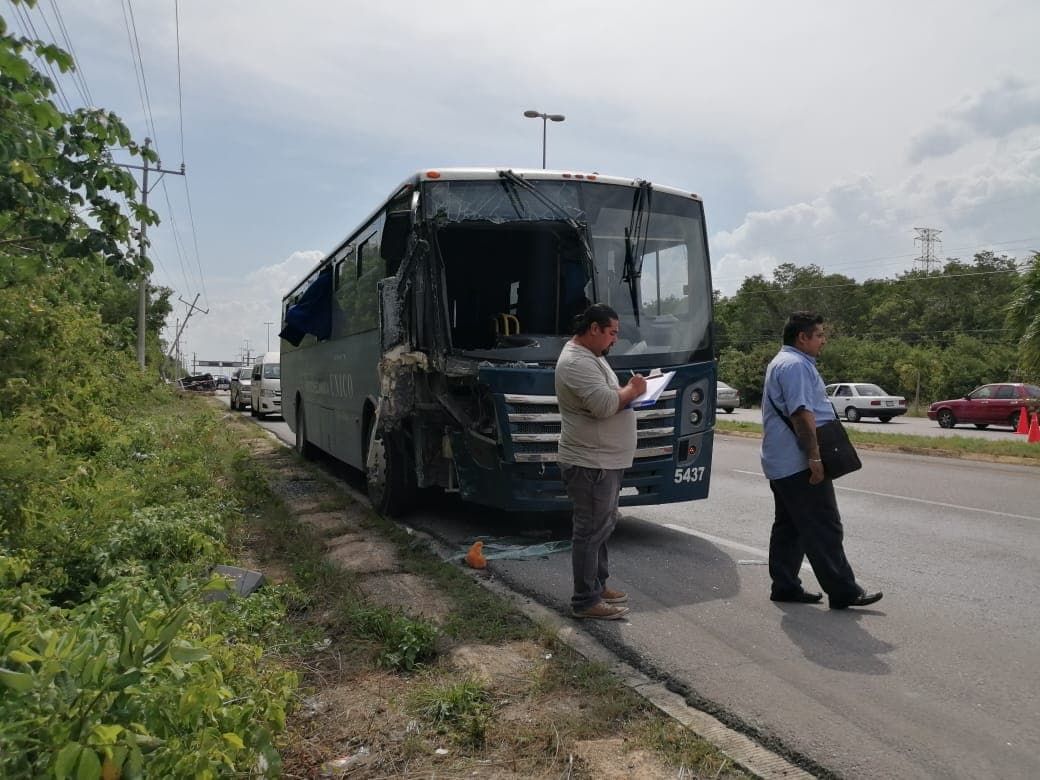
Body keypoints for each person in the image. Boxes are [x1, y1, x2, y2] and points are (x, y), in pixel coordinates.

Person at [761, 312, 883, 609]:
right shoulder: (794, 366)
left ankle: (785, 586)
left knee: (789, 526)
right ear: (802, 337)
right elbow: (802, 415)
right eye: (819, 335)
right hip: (797, 463)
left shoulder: (784, 362)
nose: (823, 341)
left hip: (780, 461)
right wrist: (814, 458)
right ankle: (843, 591)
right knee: (824, 525)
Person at [555, 303, 647, 620]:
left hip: (604, 460)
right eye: (611, 333)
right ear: (594, 328)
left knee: (602, 528)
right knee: (590, 531)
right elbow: (606, 404)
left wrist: (629, 391)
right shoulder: (575, 362)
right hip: (590, 462)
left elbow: (610, 395)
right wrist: (633, 390)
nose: (614, 340)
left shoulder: (592, 358)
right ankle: (585, 601)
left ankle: (597, 584)